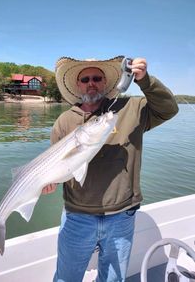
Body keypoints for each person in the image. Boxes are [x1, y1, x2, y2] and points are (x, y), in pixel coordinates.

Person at [42, 56, 178, 282]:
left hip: (121, 216)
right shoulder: (64, 123)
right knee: (66, 278)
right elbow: (58, 168)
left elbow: (169, 109)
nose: (91, 83)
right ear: (77, 85)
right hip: (77, 217)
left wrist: (145, 81)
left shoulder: (131, 109)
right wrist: (50, 182)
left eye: (97, 78)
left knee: (113, 279)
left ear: (105, 82)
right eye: (85, 79)